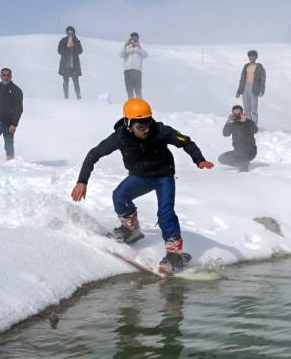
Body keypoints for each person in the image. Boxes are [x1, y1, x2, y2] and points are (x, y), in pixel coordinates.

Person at [70, 98, 214, 274]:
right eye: (141, 127)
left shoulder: (160, 130)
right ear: (129, 123)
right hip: (140, 177)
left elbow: (185, 141)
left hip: (163, 177)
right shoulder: (119, 137)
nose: (146, 130)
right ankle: (131, 230)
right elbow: (93, 154)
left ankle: (175, 254)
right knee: (119, 196)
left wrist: (199, 160)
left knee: (165, 213)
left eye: (148, 124)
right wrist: (82, 181)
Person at [218, 104, 258, 172]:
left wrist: (246, 121)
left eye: (239, 113)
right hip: (238, 152)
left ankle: (244, 168)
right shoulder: (233, 124)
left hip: (250, 151)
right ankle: (242, 162)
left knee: (243, 152)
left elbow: (255, 130)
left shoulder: (248, 122)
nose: (237, 115)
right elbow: (225, 134)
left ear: (242, 113)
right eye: (235, 114)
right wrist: (228, 122)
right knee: (221, 158)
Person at [235, 49, 266, 124]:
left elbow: (262, 80)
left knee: (254, 109)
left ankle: (254, 125)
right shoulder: (246, 66)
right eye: (250, 57)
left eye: (253, 57)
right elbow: (242, 79)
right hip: (245, 88)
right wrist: (239, 91)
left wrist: (262, 90)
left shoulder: (260, 68)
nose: (251, 59)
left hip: (254, 89)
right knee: (246, 109)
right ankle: (248, 125)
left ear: (256, 58)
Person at [120, 32, 147, 99]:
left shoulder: (140, 49)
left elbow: (145, 55)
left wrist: (139, 47)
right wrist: (125, 45)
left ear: (138, 39)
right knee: (129, 89)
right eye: (132, 38)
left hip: (137, 71)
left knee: (138, 90)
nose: (134, 40)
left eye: (136, 38)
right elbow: (121, 55)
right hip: (128, 71)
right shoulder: (126, 48)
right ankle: (131, 104)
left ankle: (140, 105)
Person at [58, 26, 83, 100]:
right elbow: (59, 51)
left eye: (72, 33)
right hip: (65, 66)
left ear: (74, 33)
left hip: (74, 66)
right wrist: (67, 47)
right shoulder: (63, 41)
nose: (70, 34)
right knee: (65, 82)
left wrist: (73, 46)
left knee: (76, 83)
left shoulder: (77, 41)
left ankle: (78, 97)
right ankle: (66, 97)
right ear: (67, 33)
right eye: (69, 33)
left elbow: (80, 50)